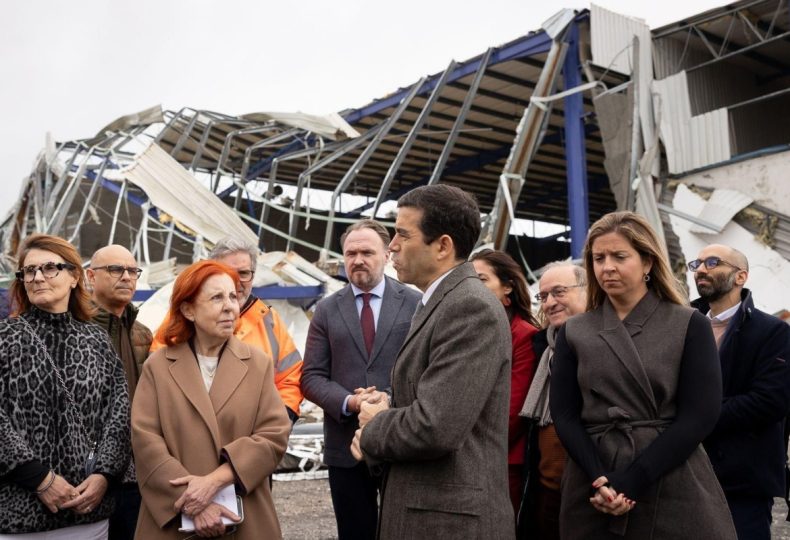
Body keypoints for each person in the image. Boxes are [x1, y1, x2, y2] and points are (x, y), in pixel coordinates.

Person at [549, 211, 736, 539]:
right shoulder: (574, 331)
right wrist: (600, 478)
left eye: (620, 256)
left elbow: (700, 415)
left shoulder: (688, 323)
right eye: (598, 258)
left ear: (648, 262)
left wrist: (633, 480)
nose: (607, 267)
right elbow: (564, 414)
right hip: (593, 478)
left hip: (669, 470)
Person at [351, 185, 515, 540]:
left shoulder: (469, 308)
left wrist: (375, 427)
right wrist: (389, 408)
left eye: (402, 234)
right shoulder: (439, 302)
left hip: (449, 522)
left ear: (443, 246)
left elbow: (436, 426)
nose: (391, 244)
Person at [131, 260, 290, 539]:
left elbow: (273, 436)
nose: (230, 306)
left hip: (244, 515)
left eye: (232, 296)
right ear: (188, 309)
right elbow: (146, 442)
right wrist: (194, 504)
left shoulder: (258, 364)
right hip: (175, 516)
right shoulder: (157, 366)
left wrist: (214, 482)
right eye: (217, 297)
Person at [0, 234, 130, 539]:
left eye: (49, 268)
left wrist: (104, 476)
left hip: (89, 516)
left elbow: (119, 416)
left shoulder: (97, 341)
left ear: (74, 276)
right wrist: (40, 480)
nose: (37, 277)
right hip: (18, 518)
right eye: (29, 271)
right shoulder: (4, 338)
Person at [302, 219, 420, 540]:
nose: (358, 260)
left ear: (386, 254)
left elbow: (425, 371)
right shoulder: (326, 310)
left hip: (399, 440)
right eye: (350, 253)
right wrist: (351, 401)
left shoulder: (414, 304)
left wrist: (386, 402)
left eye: (367, 252)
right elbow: (311, 377)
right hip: (344, 446)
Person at [689, 244, 790, 539]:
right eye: (698, 263)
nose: (701, 270)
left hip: (743, 483)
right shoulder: (684, 326)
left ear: (740, 277)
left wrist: (695, 419)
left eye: (712, 262)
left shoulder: (772, 332)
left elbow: (770, 401)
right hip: (687, 474)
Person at [151, 237, 303, 423]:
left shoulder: (269, 321)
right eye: (226, 272)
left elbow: (290, 379)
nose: (236, 281)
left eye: (244, 273)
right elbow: (159, 378)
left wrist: (278, 425)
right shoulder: (184, 319)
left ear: (253, 275)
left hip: (253, 441)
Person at [87, 245, 153, 540]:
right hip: (91, 470)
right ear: (90, 276)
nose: (126, 277)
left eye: (132, 271)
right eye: (116, 269)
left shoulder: (143, 334)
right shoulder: (77, 330)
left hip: (137, 471)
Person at [518, 261, 586, 540]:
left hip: (590, 490)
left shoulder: (608, 344)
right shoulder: (540, 348)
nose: (549, 303)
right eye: (543, 296)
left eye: (559, 292)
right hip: (546, 491)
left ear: (587, 291)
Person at [470, 249, 539, 518]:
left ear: (508, 287)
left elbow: (513, 410)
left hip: (503, 460)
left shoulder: (524, 334)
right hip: (470, 455)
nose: (474, 289)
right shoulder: (472, 330)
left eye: (482, 280)